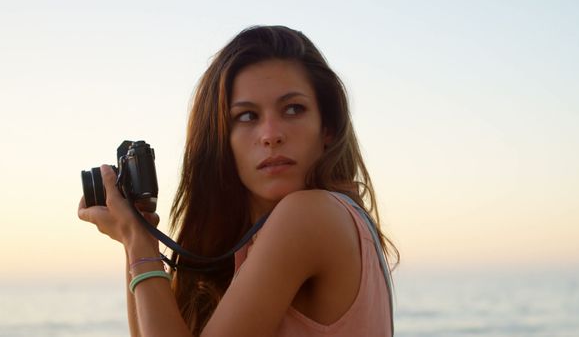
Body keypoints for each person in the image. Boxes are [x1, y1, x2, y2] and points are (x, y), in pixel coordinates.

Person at [78, 25, 398, 336]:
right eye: (247, 116)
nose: (271, 135)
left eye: (293, 109)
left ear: (326, 128)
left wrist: (139, 242)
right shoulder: (311, 225)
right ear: (222, 140)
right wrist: (133, 236)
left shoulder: (310, 215)